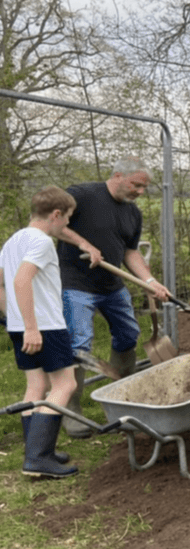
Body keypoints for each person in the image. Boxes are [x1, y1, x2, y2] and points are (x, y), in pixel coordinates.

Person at [56, 159, 173, 437]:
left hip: (112, 285)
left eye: (145, 187)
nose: (141, 192)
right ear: (118, 176)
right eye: (137, 185)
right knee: (79, 343)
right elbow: (53, 223)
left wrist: (149, 280)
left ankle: (122, 396)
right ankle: (71, 411)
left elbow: (130, 253)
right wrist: (83, 243)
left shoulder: (133, 214)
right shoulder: (83, 195)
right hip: (76, 283)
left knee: (128, 334)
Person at [0, 187, 80, 478]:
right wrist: (32, 327)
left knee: (36, 386)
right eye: (68, 218)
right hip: (44, 326)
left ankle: (36, 449)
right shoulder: (43, 241)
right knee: (65, 385)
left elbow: (1, 283)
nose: (67, 225)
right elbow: (21, 280)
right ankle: (38, 457)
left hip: (20, 325)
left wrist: (14, 319)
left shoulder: (14, 240)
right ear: (56, 214)